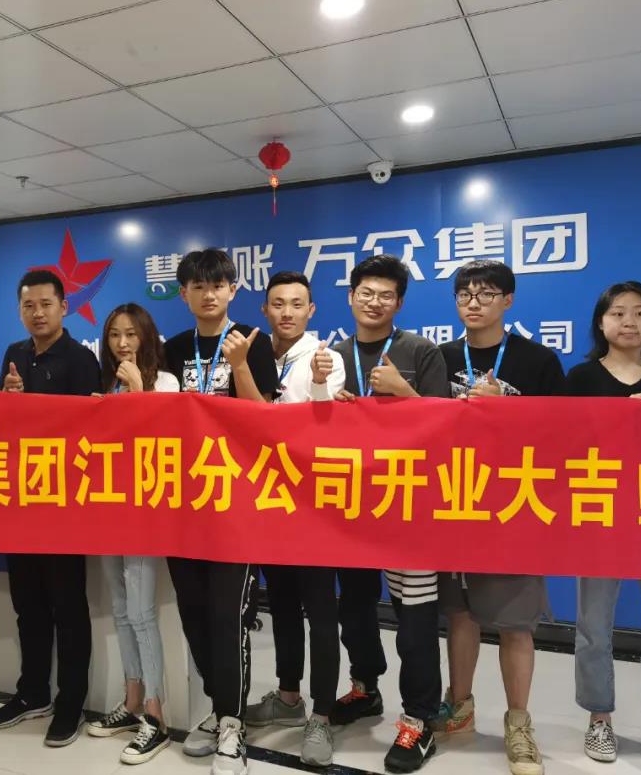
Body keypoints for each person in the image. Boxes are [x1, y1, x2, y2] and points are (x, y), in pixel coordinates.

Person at [435, 260, 564, 775]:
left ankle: (519, 724)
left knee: (514, 623)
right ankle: (459, 707)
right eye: (465, 294)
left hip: (514, 505)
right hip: (451, 501)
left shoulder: (538, 360)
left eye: (486, 293)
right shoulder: (440, 357)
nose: (474, 302)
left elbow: (562, 434)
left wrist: (506, 406)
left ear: (508, 301)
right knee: (459, 614)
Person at [329, 254, 449, 774]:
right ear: (351, 296)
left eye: (385, 295)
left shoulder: (420, 351)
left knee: (414, 618)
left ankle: (420, 719)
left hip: (408, 506)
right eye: (366, 293)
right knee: (354, 607)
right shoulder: (334, 354)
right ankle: (365, 688)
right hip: (350, 506)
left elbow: (446, 426)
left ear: (398, 303)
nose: (374, 302)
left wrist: (404, 392)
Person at [163, 249, 278, 775]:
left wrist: (239, 367)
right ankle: (218, 707)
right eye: (198, 285)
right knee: (192, 612)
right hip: (182, 504)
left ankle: (233, 723)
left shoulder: (253, 341)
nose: (208, 294)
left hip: (237, 503)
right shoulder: (172, 349)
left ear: (233, 290)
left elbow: (265, 420)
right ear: (184, 293)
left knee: (227, 616)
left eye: (218, 285)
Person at [565, 281, 641, 773]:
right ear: (601, 322)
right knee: (593, 626)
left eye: (640, 312)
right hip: (601, 510)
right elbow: (563, 444)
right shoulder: (581, 377)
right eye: (618, 313)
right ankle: (600, 718)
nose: (629, 322)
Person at [0, 269, 101, 748]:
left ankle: (71, 701)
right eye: (28, 305)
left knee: (67, 607)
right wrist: (9, 401)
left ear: (64, 307)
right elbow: (3, 424)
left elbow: (88, 431)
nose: (37, 313)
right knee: (28, 606)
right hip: (20, 502)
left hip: (64, 504)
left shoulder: (81, 359)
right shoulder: (14, 354)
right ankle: (33, 692)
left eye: (46, 304)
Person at [245, 271, 345, 767]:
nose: (287, 312)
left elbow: (328, 424)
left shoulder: (326, 357)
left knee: (321, 614)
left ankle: (321, 716)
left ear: (311, 310)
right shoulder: (252, 356)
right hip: (268, 500)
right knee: (281, 603)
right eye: (278, 303)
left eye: (297, 304)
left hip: (314, 505)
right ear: (265, 310)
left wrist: (321, 385)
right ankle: (288, 699)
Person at [86, 303, 178, 765]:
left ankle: (157, 718)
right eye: (114, 335)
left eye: (131, 334)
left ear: (147, 337)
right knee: (121, 611)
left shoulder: (167, 383)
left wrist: (139, 392)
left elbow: (163, 442)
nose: (122, 343)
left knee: (142, 614)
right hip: (107, 510)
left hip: (145, 512)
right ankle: (133, 700)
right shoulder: (104, 385)